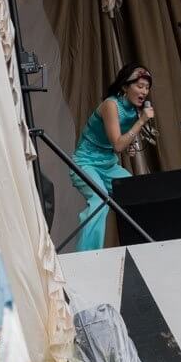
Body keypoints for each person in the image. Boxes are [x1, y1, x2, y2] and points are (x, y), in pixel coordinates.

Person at [69, 63, 155, 252]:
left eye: (147, 88)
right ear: (125, 86)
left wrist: (130, 146)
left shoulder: (134, 111)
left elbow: (120, 143)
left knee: (137, 194)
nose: (144, 92)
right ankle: (87, 257)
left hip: (109, 164)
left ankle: (144, 248)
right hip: (86, 162)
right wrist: (141, 122)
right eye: (139, 86)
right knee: (100, 201)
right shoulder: (111, 105)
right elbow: (117, 144)